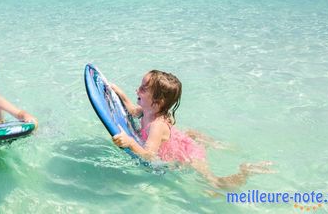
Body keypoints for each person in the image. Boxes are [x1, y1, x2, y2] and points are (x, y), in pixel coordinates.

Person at [111, 70, 273, 189]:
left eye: (143, 89)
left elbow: (148, 155)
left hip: (189, 155)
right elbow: (133, 110)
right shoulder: (147, 111)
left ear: (157, 102)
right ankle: (206, 140)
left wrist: (130, 142)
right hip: (178, 140)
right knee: (185, 134)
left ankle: (246, 171)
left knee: (214, 184)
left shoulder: (156, 125)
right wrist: (120, 93)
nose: (137, 90)